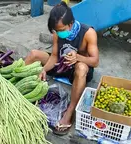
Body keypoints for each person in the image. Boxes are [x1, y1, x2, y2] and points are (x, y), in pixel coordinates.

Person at [24, 1, 99, 135]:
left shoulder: (88, 33)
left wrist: (78, 58)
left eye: (61, 30)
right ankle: (20, 91)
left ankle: (70, 111)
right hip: (60, 64)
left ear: (70, 24)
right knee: (34, 54)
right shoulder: (57, 33)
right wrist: (44, 70)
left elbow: (95, 61)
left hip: (77, 69)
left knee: (81, 68)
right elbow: (54, 56)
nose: (58, 34)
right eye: (56, 31)